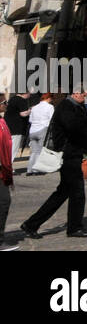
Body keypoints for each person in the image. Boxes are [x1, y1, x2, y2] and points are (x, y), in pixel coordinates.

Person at [20, 85, 87, 239]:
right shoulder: (66, 106)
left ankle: (31, 224)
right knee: (77, 192)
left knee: (62, 193)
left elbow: (83, 126)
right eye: (84, 95)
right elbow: (73, 126)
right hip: (67, 155)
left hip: (75, 153)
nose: (85, 97)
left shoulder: (78, 107)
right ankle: (74, 228)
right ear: (76, 93)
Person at [24, 95, 55, 175]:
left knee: (34, 151)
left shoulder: (34, 107)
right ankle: (37, 170)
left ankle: (29, 170)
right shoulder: (50, 107)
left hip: (33, 130)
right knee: (40, 151)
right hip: (43, 129)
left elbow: (30, 120)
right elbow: (52, 119)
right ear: (49, 98)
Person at [0, 98, 14, 250]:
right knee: (3, 201)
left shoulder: (2, 121)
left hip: (3, 169)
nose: (6, 105)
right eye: (4, 102)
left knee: (4, 201)